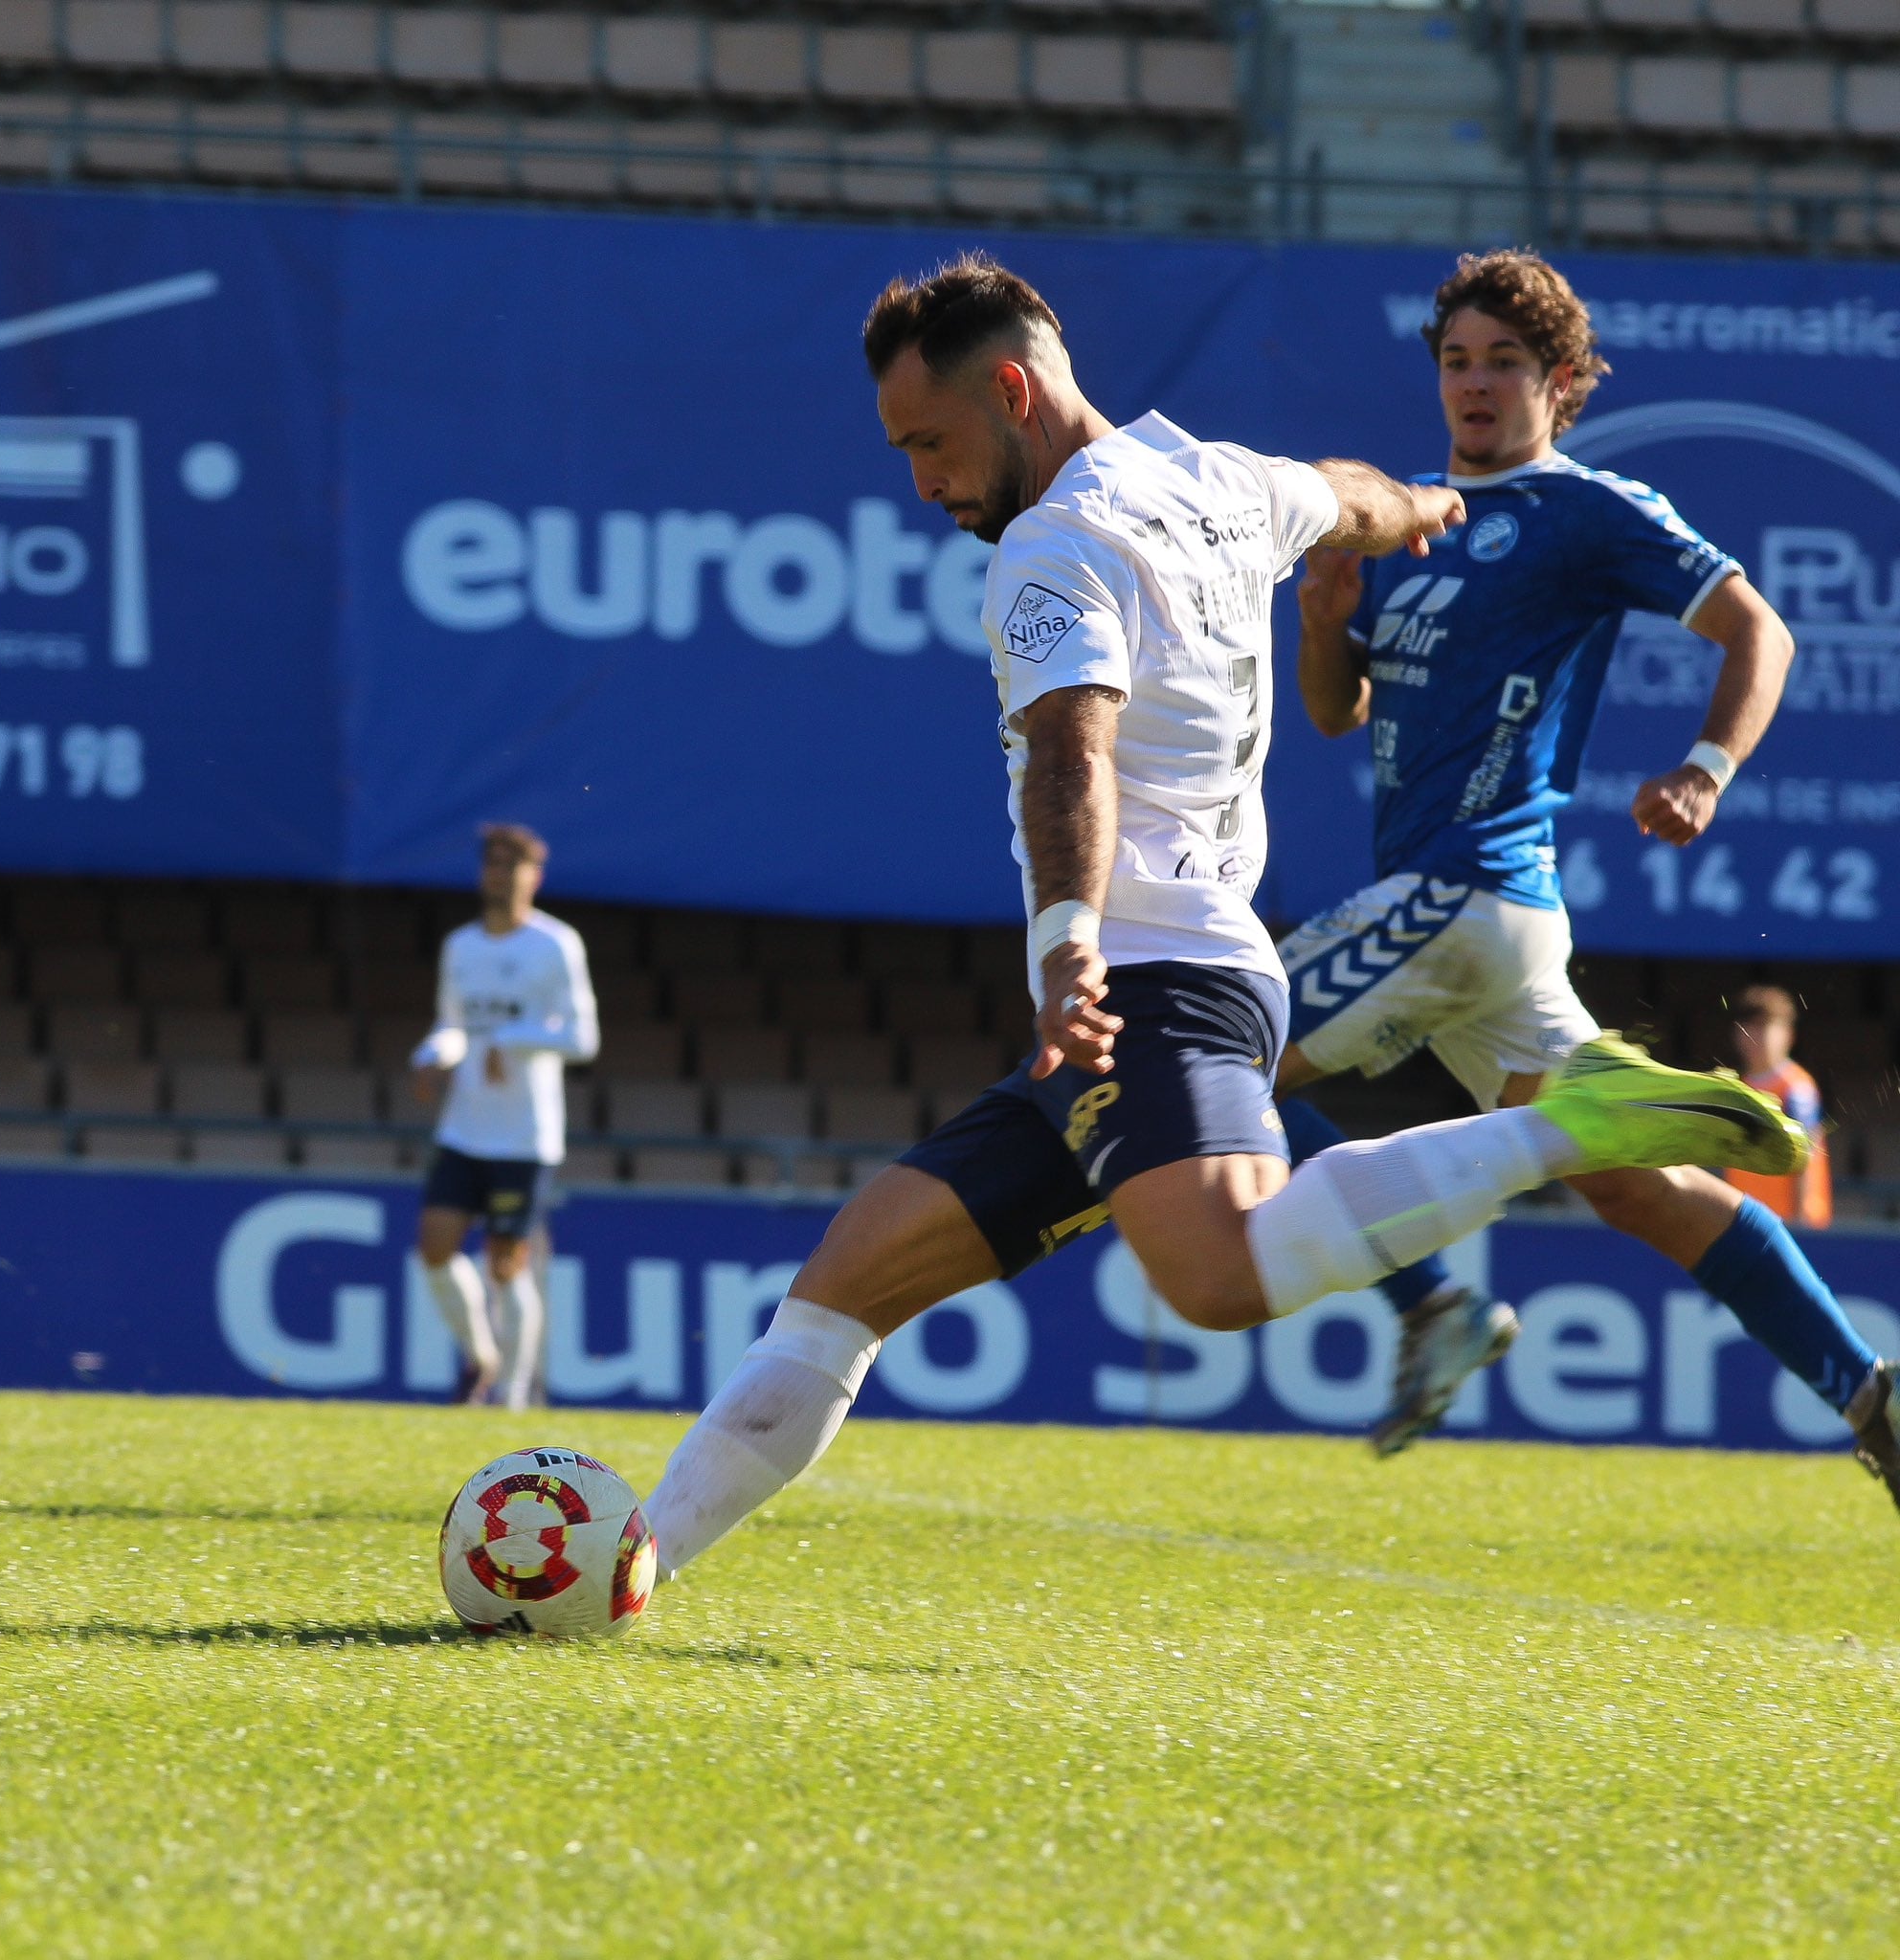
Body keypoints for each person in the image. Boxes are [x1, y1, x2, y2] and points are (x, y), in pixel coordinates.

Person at [639, 253, 1805, 1585]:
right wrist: (1423, 505)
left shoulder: (1053, 546)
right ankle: (632, 1564)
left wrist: (1064, 935)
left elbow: (1072, 751)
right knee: (845, 1282)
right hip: (1170, 984)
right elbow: (1353, 499)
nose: (923, 482)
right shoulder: (1212, 477)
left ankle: (1564, 1126)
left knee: (1219, 1274)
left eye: (931, 442)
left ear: (1013, 390)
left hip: (1152, 979)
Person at [1276, 248, 1895, 1500]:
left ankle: (1433, 1300)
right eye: (1457, 360)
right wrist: (1323, 619)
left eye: (1506, 361)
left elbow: (1756, 626)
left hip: (1465, 890)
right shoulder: (1413, 519)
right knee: (1629, 1184)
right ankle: (1868, 1389)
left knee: (1215, 1050)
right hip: (1478, 928)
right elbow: (1337, 714)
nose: (1477, 384)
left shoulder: (1585, 511)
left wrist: (1710, 766)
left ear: (1562, 381)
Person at [412, 823, 598, 1411]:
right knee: (436, 1247)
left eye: (511, 864)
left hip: (525, 1135)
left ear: (533, 876)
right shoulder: (461, 947)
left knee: (506, 1262)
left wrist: (509, 1041)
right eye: (491, 863)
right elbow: (453, 1025)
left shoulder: (554, 945)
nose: (499, 874)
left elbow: (581, 1038)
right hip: (465, 1126)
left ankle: (515, 1396)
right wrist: (432, 1055)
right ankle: (480, 1356)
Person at [1727, 985, 1832, 1230]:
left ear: (1788, 1035)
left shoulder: (1796, 1088)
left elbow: (1805, 1157)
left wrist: (1800, 1223)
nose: (1758, 1037)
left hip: (1790, 1226)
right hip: (1747, 1224)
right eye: (1751, 1027)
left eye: (1767, 1027)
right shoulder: (1738, 1088)